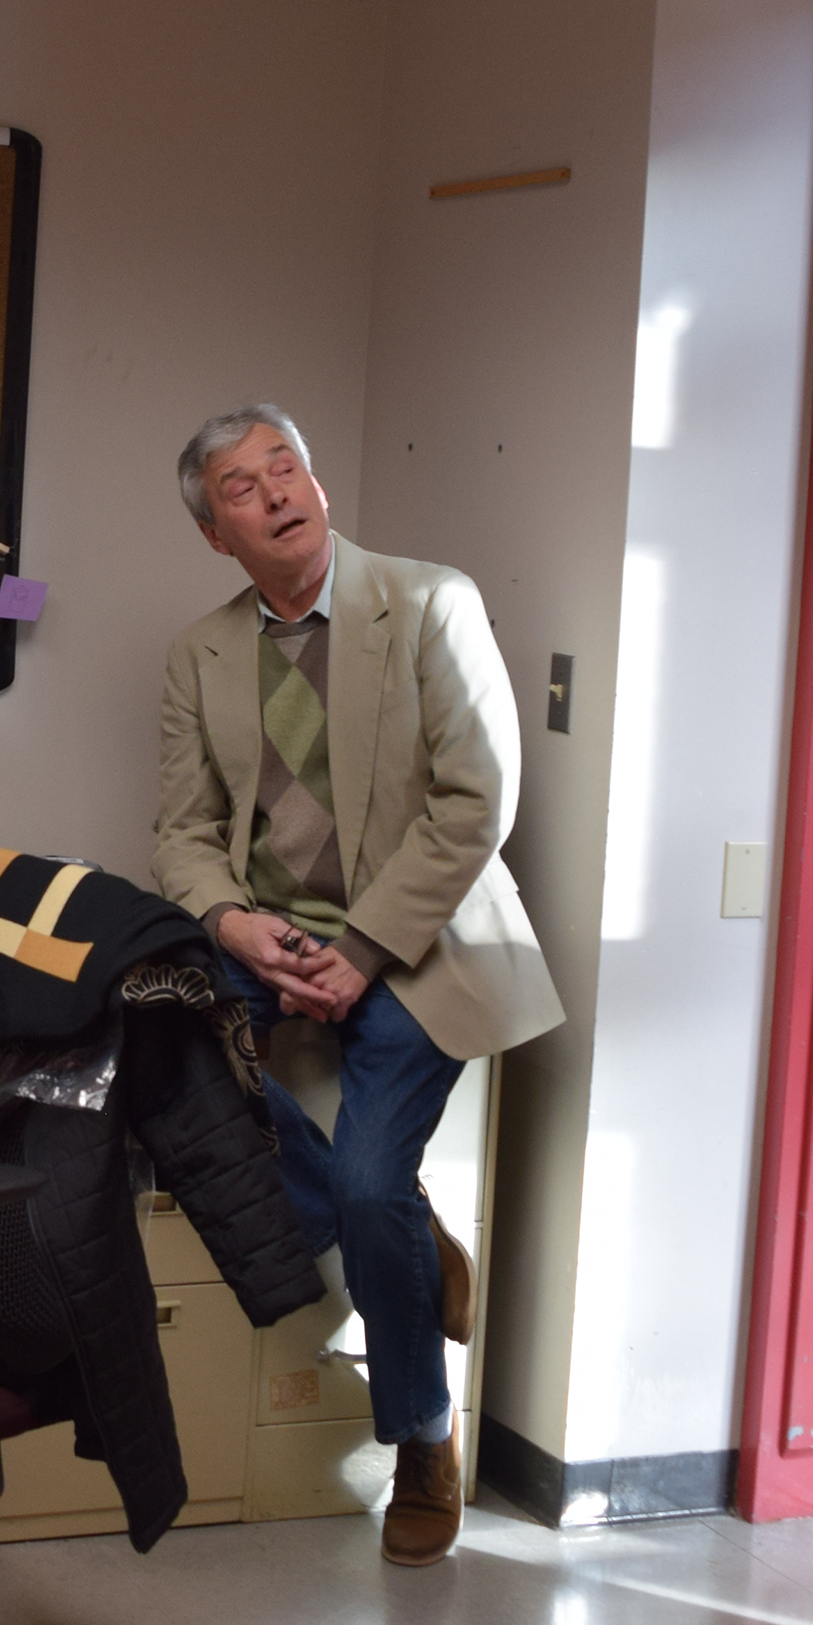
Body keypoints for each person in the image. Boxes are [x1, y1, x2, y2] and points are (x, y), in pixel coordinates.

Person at [153, 404, 564, 1566]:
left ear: (319, 483)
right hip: (275, 938)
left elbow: (477, 801)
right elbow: (182, 833)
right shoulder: (200, 653)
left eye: (285, 466)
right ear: (216, 535)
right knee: (148, 1037)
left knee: (375, 1175)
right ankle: (406, 1241)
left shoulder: (430, 602)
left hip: (419, 943)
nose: (276, 492)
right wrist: (236, 923)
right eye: (241, 487)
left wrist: (365, 949)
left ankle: (422, 1439)